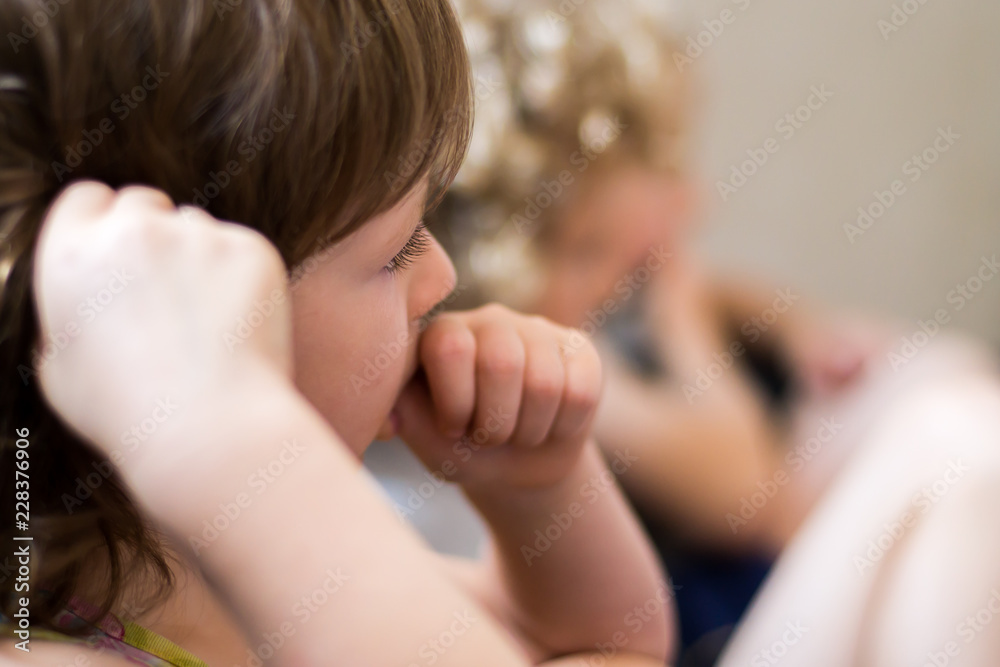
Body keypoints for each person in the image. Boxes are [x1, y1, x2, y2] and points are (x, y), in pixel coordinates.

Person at [0, 1, 672, 665]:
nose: (441, 276)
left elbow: (607, 649)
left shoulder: (246, 566)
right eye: (396, 251)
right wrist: (230, 438)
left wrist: (534, 491)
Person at [431, 0, 1000, 662]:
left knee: (941, 374)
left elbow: (732, 292)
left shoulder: (601, 312)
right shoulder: (551, 368)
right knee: (958, 444)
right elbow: (748, 489)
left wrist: (801, 331)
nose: (690, 204)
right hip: (712, 633)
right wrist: (685, 314)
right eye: (605, 246)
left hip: (757, 587)